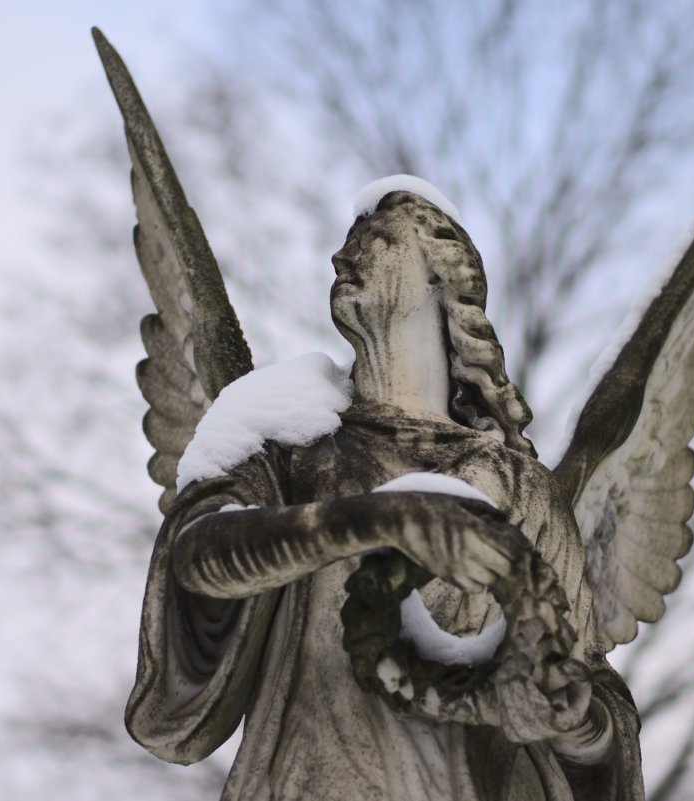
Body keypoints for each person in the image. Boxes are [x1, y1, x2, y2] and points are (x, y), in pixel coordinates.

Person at [125, 190, 644, 801]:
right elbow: (195, 559)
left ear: (441, 280)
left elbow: (591, 698)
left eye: (377, 239)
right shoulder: (291, 437)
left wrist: (569, 721)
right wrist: (382, 519)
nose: (342, 255)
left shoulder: (515, 486)